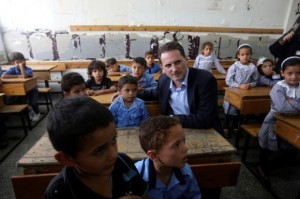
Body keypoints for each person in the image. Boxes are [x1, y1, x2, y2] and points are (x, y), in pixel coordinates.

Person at [45, 96, 149, 199]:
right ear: (67, 159)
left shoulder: (123, 163)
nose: (114, 154)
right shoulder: (59, 191)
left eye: (113, 140)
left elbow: (144, 195)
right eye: (99, 151)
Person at [137, 41, 223, 134]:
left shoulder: (205, 80)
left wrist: (170, 119)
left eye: (177, 62)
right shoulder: (164, 79)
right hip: (175, 131)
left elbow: (205, 119)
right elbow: (154, 93)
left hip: (205, 131)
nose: (174, 69)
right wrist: (129, 93)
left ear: (186, 59)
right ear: (162, 67)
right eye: (168, 65)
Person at [134, 115, 201, 199]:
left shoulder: (186, 172)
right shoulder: (136, 176)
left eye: (184, 141)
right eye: (176, 145)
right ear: (154, 155)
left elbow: (194, 197)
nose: (186, 148)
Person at [257, 56, 300, 185]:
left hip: (294, 121)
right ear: (282, 73)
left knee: (289, 150)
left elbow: (287, 108)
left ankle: (280, 163)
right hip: (274, 122)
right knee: (268, 147)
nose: (294, 77)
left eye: (298, 73)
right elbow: (281, 107)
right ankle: (262, 168)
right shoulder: (278, 87)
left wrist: (291, 102)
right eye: (290, 73)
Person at [223, 44, 259, 136]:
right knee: (229, 110)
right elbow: (228, 81)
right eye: (242, 54)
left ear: (251, 55)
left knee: (240, 110)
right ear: (238, 55)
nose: (245, 56)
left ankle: (236, 127)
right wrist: (239, 85)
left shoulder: (253, 67)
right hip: (233, 91)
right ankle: (226, 127)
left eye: (247, 54)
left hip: (245, 92)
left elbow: (255, 81)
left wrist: (249, 85)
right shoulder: (234, 66)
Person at [1, 52, 41, 122]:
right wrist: (18, 76)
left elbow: (25, 76)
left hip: (32, 89)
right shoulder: (12, 69)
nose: (20, 63)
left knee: (33, 102)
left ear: (25, 61)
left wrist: (22, 66)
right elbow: (3, 76)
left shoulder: (28, 69)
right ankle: (29, 111)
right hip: (21, 90)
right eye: (17, 62)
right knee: (14, 100)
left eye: (22, 61)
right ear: (13, 63)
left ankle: (37, 113)